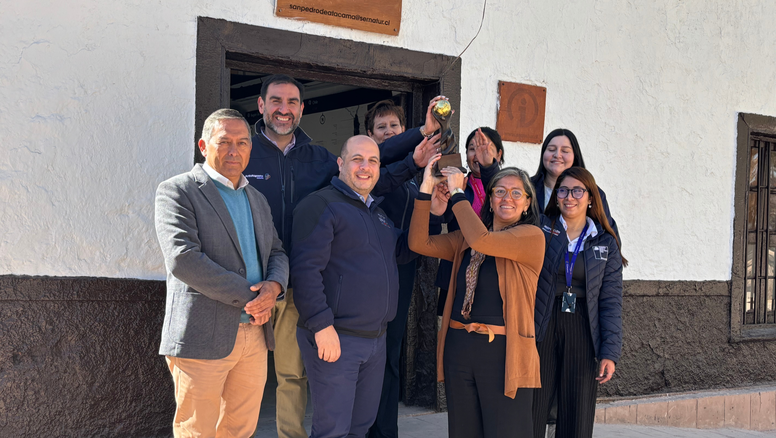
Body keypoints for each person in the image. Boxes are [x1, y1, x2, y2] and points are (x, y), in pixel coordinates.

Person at [242, 74, 443, 438]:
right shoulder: (245, 152)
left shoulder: (319, 159)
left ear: (302, 109)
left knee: (291, 376)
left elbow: (368, 177)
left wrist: (415, 154)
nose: (283, 110)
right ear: (261, 105)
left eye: (292, 103)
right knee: (241, 376)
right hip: (248, 282)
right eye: (276, 101)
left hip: (297, 282)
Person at [154, 109, 289, 437]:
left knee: (240, 429)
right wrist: (252, 298)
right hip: (202, 335)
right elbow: (183, 259)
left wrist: (273, 287)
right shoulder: (178, 191)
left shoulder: (256, 198)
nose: (234, 150)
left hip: (254, 336)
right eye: (224, 141)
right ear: (203, 145)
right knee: (196, 431)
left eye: (242, 142)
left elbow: (277, 253)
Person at [290, 136, 417, 438]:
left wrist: (432, 210)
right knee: (332, 430)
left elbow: (403, 249)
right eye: (357, 159)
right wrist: (321, 326)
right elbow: (305, 270)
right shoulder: (321, 205)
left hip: (375, 340)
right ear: (340, 163)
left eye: (373, 161)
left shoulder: (377, 214)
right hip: (337, 338)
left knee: (359, 428)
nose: (365, 167)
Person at [409, 158, 545, 438]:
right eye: (499, 191)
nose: (507, 197)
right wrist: (426, 192)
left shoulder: (531, 237)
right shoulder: (466, 239)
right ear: (491, 200)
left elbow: (484, 241)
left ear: (527, 203)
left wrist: (458, 194)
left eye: (516, 193)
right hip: (460, 348)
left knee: (507, 432)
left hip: (504, 353)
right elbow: (419, 243)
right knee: (463, 432)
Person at [364, 99, 442, 438]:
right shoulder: (370, 171)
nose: (388, 132)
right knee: (365, 356)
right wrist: (414, 149)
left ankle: (385, 430)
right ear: (370, 135)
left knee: (391, 355)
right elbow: (386, 175)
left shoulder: (414, 176)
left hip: (402, 269)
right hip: (366, 276)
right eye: (381, 127)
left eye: (394, 126)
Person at [531, 167, 625, 438]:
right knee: (534, 406)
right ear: (556, 196)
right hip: (544, 322)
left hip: (583, 326)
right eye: (563, 190)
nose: (569, 197)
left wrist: (610, 351)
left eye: (577, 191)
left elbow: (611, 301)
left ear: (591, 198)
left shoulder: (606, 243)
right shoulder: (542, 230)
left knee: (578, 409)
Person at [435, 127, 504, 315]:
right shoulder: (458, 184)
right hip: (456, 270)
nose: (477, 154)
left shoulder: (507, 191)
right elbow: (441, 220)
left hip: (492, 272)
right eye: (472, 148)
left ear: (498, 154)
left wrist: (489, 168)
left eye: (484, 147)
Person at [531, 129, 617, 235]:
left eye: (565, 151)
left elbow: (609, 237)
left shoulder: (593, 192)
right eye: (551, 149)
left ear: (575, 156)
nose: (557, 155)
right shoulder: (526, 188)